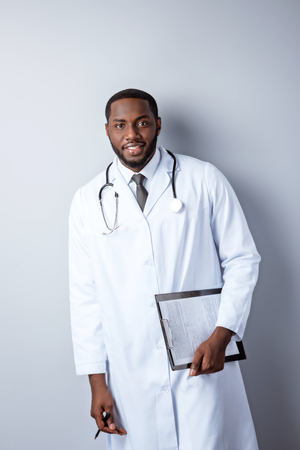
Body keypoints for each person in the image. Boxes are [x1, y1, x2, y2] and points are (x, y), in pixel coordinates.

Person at [69, 88, 261, 450]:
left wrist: (223, 334)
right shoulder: (86, 201)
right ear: (107, 130)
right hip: (130, 370)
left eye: (142, 123)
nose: (132, 135)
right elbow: (84, 296)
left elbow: (242, 260)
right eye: (120, 125)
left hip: (202, 359)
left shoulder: (204, 179)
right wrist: (97, 383)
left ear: (157, 125)